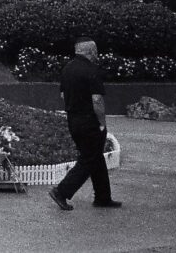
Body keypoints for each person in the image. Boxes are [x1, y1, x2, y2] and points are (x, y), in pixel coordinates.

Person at [49, 37, 122, 210]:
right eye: (95, 51)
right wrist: (102, 122)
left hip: (73, 119)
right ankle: (61, 191)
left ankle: (103, 197)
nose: (97, 54)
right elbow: (96, 100)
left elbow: (62, 95)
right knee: (89, 159)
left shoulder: (67, 69)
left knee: (96, 157)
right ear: (91, 52)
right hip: (89, 121)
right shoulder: (91, 70)